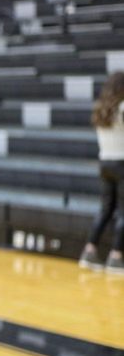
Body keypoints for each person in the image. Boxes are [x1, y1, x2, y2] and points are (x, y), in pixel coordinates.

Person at [79, 72, 124, 273]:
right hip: (122, 163)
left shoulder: (100, 109)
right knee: (123, 212)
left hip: (104, 163)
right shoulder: (122, 108)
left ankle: (89, 251)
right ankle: (116, 256)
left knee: (106, 210)